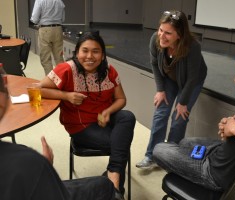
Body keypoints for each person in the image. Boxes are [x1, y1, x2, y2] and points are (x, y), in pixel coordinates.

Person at [153, 48, 235, 192]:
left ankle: (193, 177)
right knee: (186, 142)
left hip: (214, 173)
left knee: (159, 149)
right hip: (220, 155)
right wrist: (231, 126)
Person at [40, 31, 136, 200]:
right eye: (85, 50)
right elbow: (39, 89)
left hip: (104, 119)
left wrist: (107, 112)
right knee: (121, 144)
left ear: (103, 54)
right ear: (77, 53)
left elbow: (121, 99)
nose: (90, 56)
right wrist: (66, 96)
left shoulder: (109, 71)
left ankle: (112, 178)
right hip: (81, 127)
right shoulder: (66, 69)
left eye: (96, 51)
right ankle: (115, 187)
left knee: (127, 117)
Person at [0, 71, 115, 200]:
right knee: (104, 185)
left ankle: (115, 173)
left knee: (126, 118)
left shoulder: (109, 72)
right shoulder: (27, 162)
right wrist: (44, 167)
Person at [136, 10, 207, 169]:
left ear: (179, 35)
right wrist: (160, 90)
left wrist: (182, 103)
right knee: (161, 113)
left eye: (168, 33)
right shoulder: (155, 39)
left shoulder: (192, 46)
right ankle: (152, 155)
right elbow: (155, 64)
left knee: (179, 118)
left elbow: (192, 78)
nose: (162, 35)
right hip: (169, 78)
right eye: (161, 30)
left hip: (191, 81)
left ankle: (170, 158)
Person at [30, 0, 65, 75]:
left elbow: (34, 19)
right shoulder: (59, 1)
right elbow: (63, 19)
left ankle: (51, 82)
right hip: (58, 29)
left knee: (46, 59)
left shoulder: (40, 1)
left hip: (45, 30)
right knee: (59, 57)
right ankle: (63, 80)